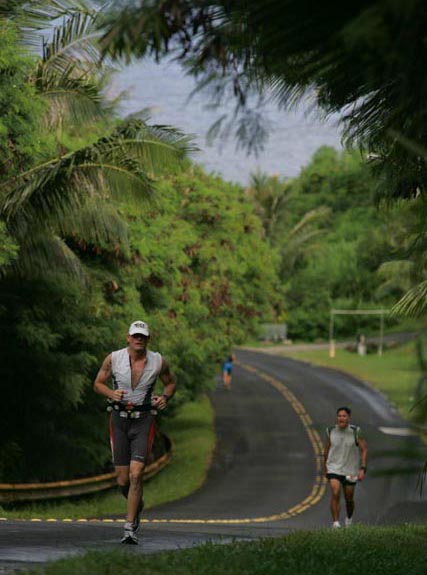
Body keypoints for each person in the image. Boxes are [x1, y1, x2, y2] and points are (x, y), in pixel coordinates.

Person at [94, 320, 176, 544]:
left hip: (144, 421)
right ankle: (136, 503)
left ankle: (129, 529)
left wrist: (164, 398)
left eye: (143, 336)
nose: (138, 339)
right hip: (119, 421)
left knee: (136, 474)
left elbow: (170, 383)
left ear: (148, 339)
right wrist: (111, 394)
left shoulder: (158, 361)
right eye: (135, 335)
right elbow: (98, 383)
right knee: (123, 481)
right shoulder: (114, 358)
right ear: (128, 337)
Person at [323, 406, 368, 528]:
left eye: (344, 416)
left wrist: (363, 468)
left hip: (350, 470)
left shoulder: (355, 431)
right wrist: (325, 468)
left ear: (348, 418)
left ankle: (348, 519)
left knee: (349, 498)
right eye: (339, 416)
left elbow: (364, 449)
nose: (341, 418)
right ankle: (336, 523)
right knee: (335, 492)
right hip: (334, 467)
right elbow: (326, 450)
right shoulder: (330, 430)